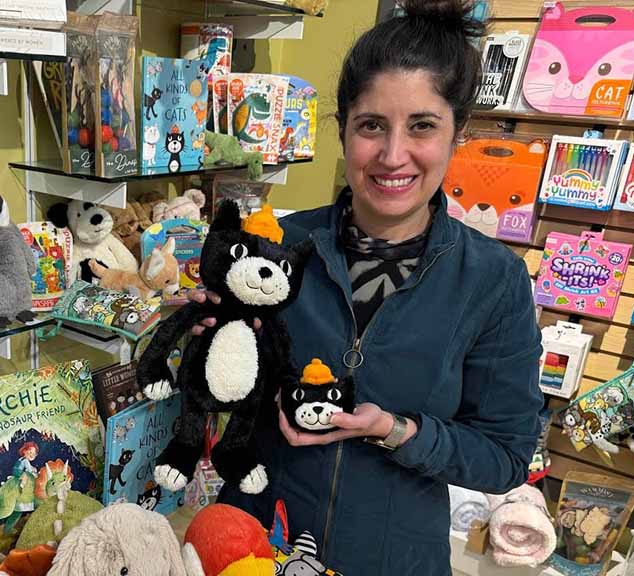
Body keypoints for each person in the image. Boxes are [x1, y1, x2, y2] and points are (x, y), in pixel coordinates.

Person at [202, 1, 547, 573]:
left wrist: (397, 431)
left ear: (458, 132)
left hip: (394, 558)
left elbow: (505, 457)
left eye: (422, 126)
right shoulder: (274, 247)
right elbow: (221, 392)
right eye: (371, 126)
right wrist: (206, 337)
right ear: (342, 130)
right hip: (255, 544)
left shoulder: (492, 280)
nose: (393, 156)